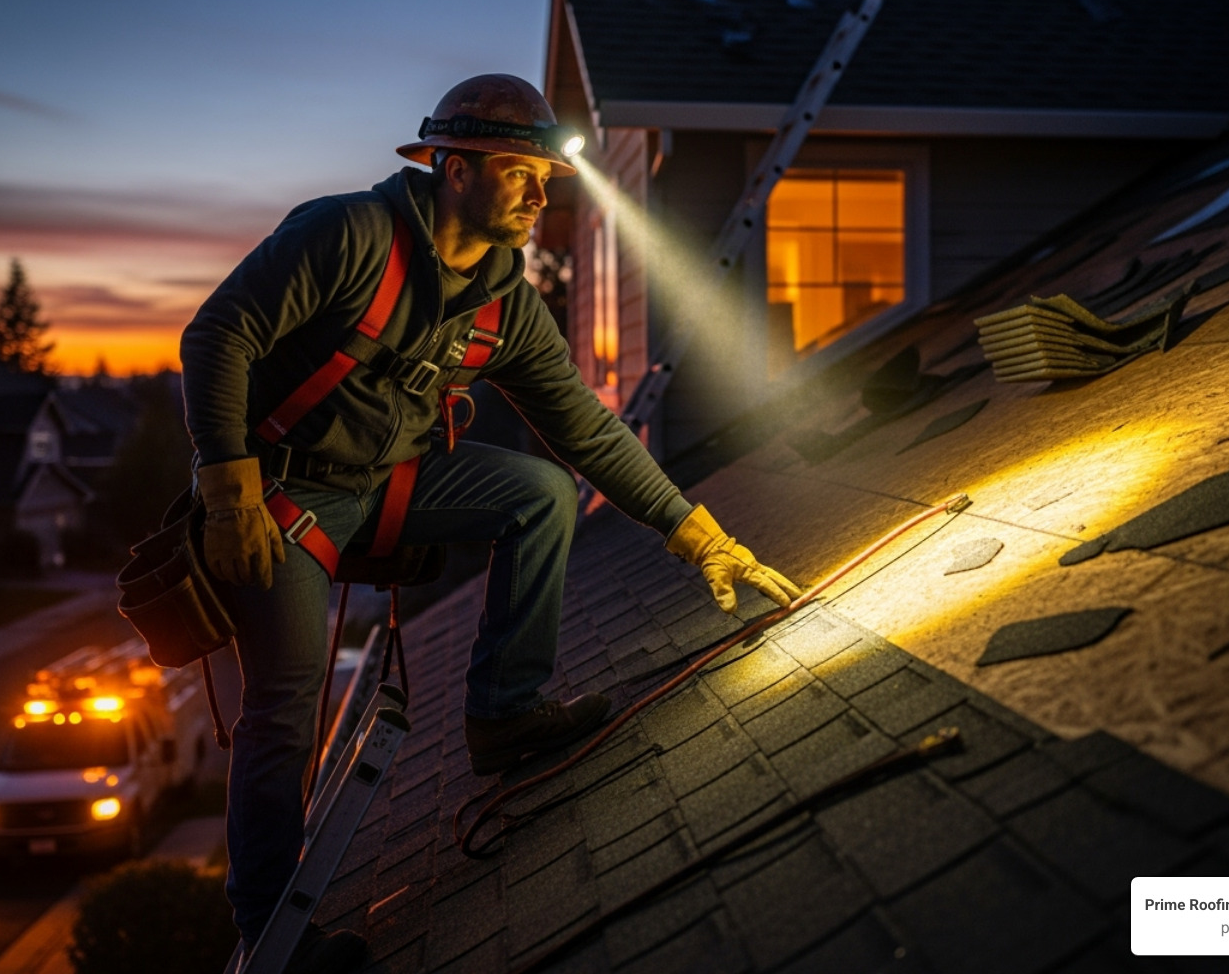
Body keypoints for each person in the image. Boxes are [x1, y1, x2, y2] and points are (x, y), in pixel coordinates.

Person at [179, 73, 798, 971]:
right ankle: (269, 923)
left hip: (390, 484)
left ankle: (504, 716)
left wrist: (696, 532)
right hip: (279, 497)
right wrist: (226, 491)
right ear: (453, 168)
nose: (543, 196)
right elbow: (218, 336)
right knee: (285, 699)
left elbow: (585, 428)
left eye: (549, 177)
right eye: (521, 173)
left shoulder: (506, 302)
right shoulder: (346, 234)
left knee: (540, 492)